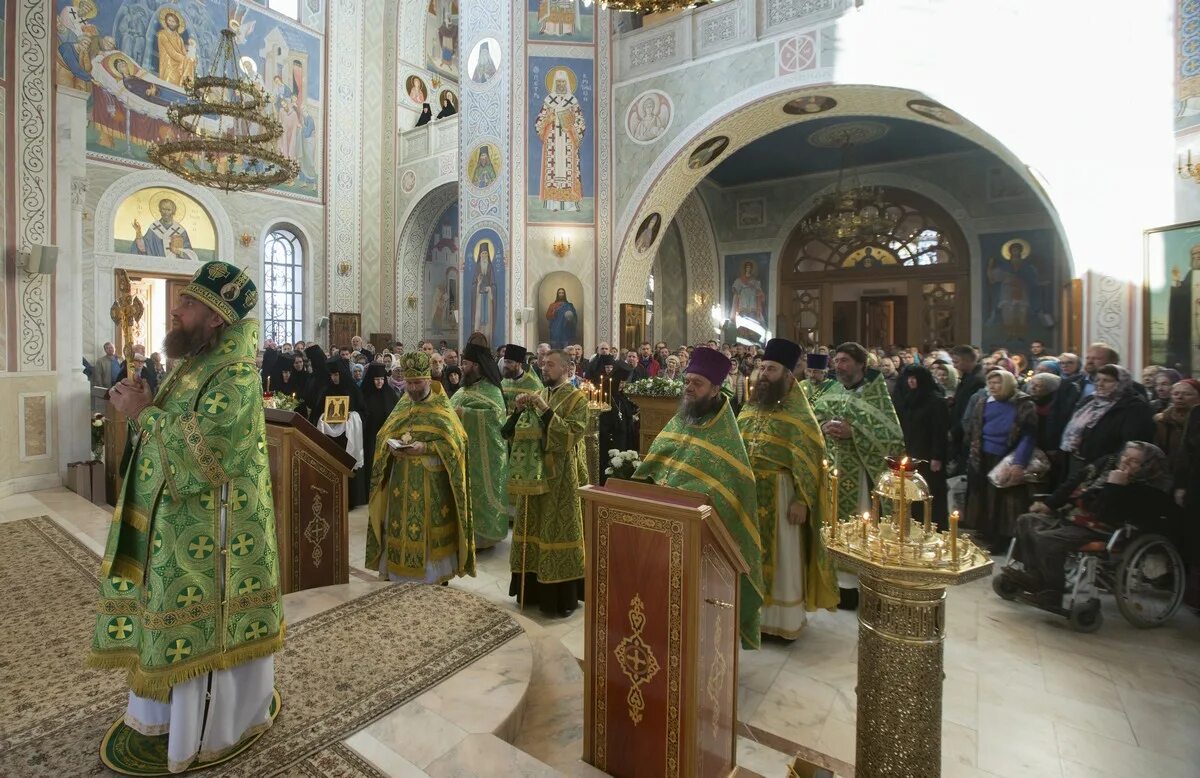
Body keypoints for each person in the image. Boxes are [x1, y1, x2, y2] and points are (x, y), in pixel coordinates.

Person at [89, 261, 282, 772]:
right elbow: (170, 428)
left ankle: (216, 723)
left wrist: (144, 414)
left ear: (217, 317)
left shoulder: (236, 376)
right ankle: (168, 716)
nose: (176, 309)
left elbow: (208, 457)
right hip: (180, 527)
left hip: (218, 536)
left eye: (189, 303)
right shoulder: (193, 363)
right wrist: (146, 408)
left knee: (203, 629)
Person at [634, 347, 765, 648]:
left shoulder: (727, 437)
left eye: (698, 383)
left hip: (700, 543)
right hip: (663, 530)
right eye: (687, 381)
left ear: (716, 389)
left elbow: (735, 490)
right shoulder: (682, 419)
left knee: (694, 613)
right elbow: (656, 462)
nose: (689, 388)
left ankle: (699, 649)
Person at [737, 338, 838, 639]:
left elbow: (811, 461)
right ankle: (750, 617)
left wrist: (803, 501)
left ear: (788, 375)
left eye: (772, 368)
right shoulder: (749, 409)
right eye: (762, 367)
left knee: (782, 560)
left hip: (783, 497)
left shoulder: (799, 416)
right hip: (751, 496)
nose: (764, 374)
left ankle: (782, 622)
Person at [1005, 443, 1177, 608]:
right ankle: (1034, 576)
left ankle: (1052, 592)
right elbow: (1074, 482)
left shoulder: (1149, 489)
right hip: (1075, 517)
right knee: (1026, 520)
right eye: (1125, 455)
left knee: (1047, 539)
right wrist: (1050, 504)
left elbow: (1105, 515)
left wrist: (1115, 486)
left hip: (1103, 529)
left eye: (1134, 461)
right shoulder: (1107, 463)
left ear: (1147, 466)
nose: (1125, 461)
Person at [367, 352, 475, 584]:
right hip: (400, 482)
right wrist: (390, 449)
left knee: (427, 532)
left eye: (418, 383)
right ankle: (399, 575)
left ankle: (432, 578)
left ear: (428, 380)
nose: (413, 388)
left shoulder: (441, 407)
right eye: (409, 383)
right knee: (401, 528)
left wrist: (426, 447)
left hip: (432, 484)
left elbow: (457, 442)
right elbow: (383, 435)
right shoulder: (404, 403)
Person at [811, 342, 904, 609]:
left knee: (860, 526)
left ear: (862, 364)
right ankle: (835, 585)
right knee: (833, 526)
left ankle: (860, 586)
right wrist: (823, 426)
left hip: (862, 477)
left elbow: (893, 437)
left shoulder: (876, 395)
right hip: (833, 474)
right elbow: (814, 420)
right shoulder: (832, 390)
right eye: (836, 361)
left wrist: (856, 432)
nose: (838, 366)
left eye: (845, 361)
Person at [503, 350, 588, 616]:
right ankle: (530, 591)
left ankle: (559, 598)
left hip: (561, 478)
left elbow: (570, 435)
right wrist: (518, 411)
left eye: (550, 364)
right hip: (534, 477)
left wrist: (543, 409)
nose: (544, 368)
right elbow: (508, 433)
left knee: (556, 530)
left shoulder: (577, 398)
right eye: (543, 364)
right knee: (532, 528)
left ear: (566, 368)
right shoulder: (540, 393)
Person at [962, 369, 1036, 550]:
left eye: (998, 383)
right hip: (982, 455)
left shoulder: (1023, 404)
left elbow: (1029, 436)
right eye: (991, 383)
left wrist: (1019, 462)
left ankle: (1000, 538)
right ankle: (984, 532)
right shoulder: (983, 402)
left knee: (1003, 500)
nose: (993, 387)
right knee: (982, 496)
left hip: (1006, 456)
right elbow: (974, 427)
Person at [452, 343, 510, 550]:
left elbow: (496, 417)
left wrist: (465, 414)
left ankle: (483, 537)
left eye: (465, 363)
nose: (462, 367)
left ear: (476, 365)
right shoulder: (465, 388)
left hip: (486, 454)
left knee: (481, 494)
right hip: (462, 452)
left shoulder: (491, 389)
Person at [1061, 364, 1155, 479]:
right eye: (1098, 380)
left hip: (1107, 466)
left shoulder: (1134, 407)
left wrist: (1113, 465)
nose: (1100, 384)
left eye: (1107, 381)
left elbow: (1133, 442)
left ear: (1121, 383)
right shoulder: (1090, 401)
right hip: (1077, 461)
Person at [894, 365, 950, 528]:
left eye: (915, 378)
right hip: (911, 452)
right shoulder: (906, 398)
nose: (911, 381)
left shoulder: (935, 400)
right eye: (908, 378)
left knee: (930, 492)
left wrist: (937, 456)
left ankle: (935, 527)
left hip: (928, 454)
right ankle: (915, 525)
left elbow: (940, 431)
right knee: (912, 491)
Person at [534, 67, 586, 212]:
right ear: (555, 83)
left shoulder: (573, 101)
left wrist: (571, 125)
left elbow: (580, 122)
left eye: (564, 82)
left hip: (568, 141)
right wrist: (549, 119)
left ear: (567, 83)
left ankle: (570, 204)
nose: (561, 85)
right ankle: (553, 204)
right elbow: (539, 122)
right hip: (553, 142)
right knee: (553, 172)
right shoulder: (549, 101)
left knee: (569, 171)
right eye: (559, 82)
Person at [1027, 372, 1079, 490]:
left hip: (1053, 446)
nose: (1033, 388)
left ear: (1050, 389)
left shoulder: (1059, 404)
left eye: (1038, 385)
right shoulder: (1029, 401)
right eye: (1032, 384)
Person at [359, 362, 399, 500]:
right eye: (376, 379)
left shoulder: (390, 394)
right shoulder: (364, 394)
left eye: (382, 379)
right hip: (370, 437)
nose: (379, 382)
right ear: (371, 379)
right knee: (371, 463)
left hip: (387, 437)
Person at [1155, 378, 1200, 474]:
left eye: (1187, 394)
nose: (1180, 397)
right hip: (1168, 473)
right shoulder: (1161, 420)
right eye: (1175, 394)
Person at [133, 197, 197, 260]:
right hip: (157, 264)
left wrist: (177, 252)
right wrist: (138, 232)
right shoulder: (154, 227)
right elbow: (144, 248)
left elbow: (190, 254)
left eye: (168, 210)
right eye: (163, 209)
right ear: (160, 210)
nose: (165, 212)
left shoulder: (180, 230)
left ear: (173, 212)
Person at [500, 344, 543, 412]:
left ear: (519, 364)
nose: (505, 365)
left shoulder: (534, 384)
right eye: (505, 362)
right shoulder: (503, 382)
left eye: (509, 362)